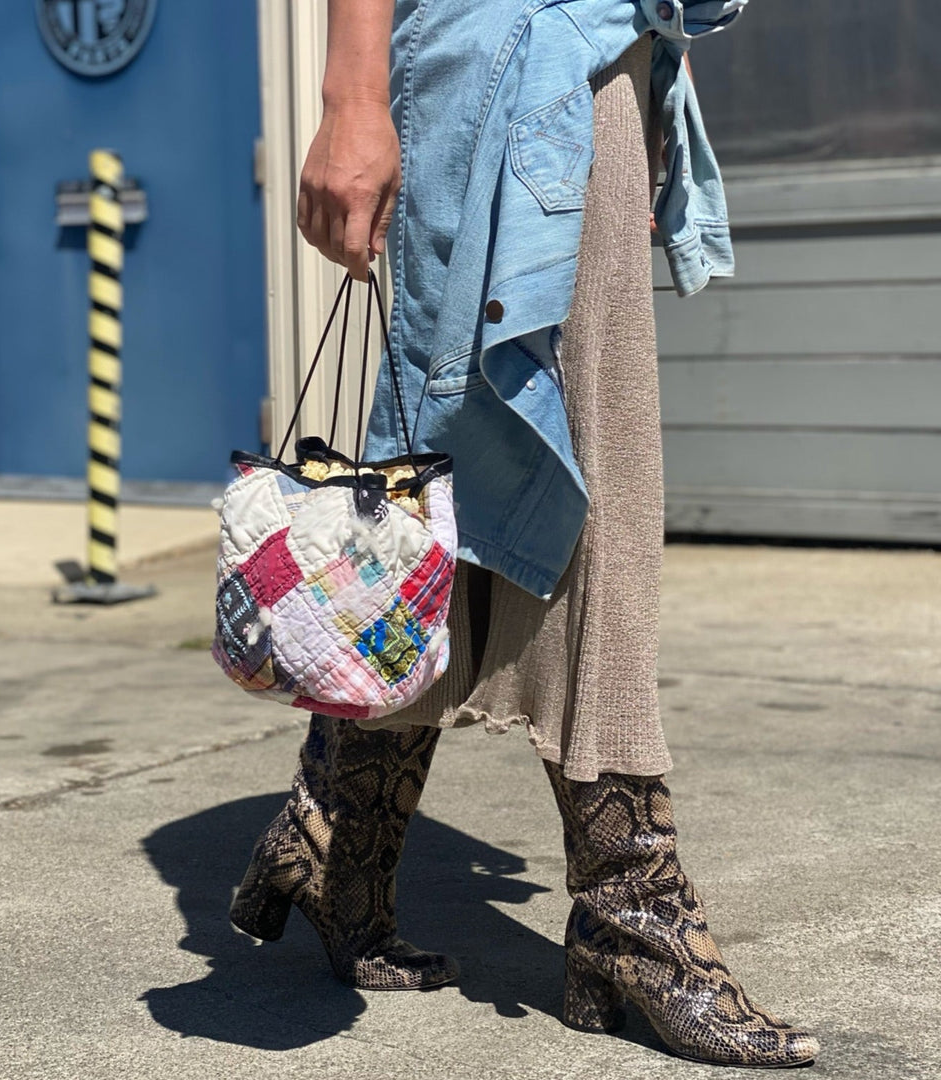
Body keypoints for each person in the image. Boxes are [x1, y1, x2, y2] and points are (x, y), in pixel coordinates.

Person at [230, 0, 820, 1067]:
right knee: (595, 475)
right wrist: (352, 94)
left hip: (592, 57)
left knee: (483, 476)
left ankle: (337, 832)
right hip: (523, 53)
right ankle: (630, 905)